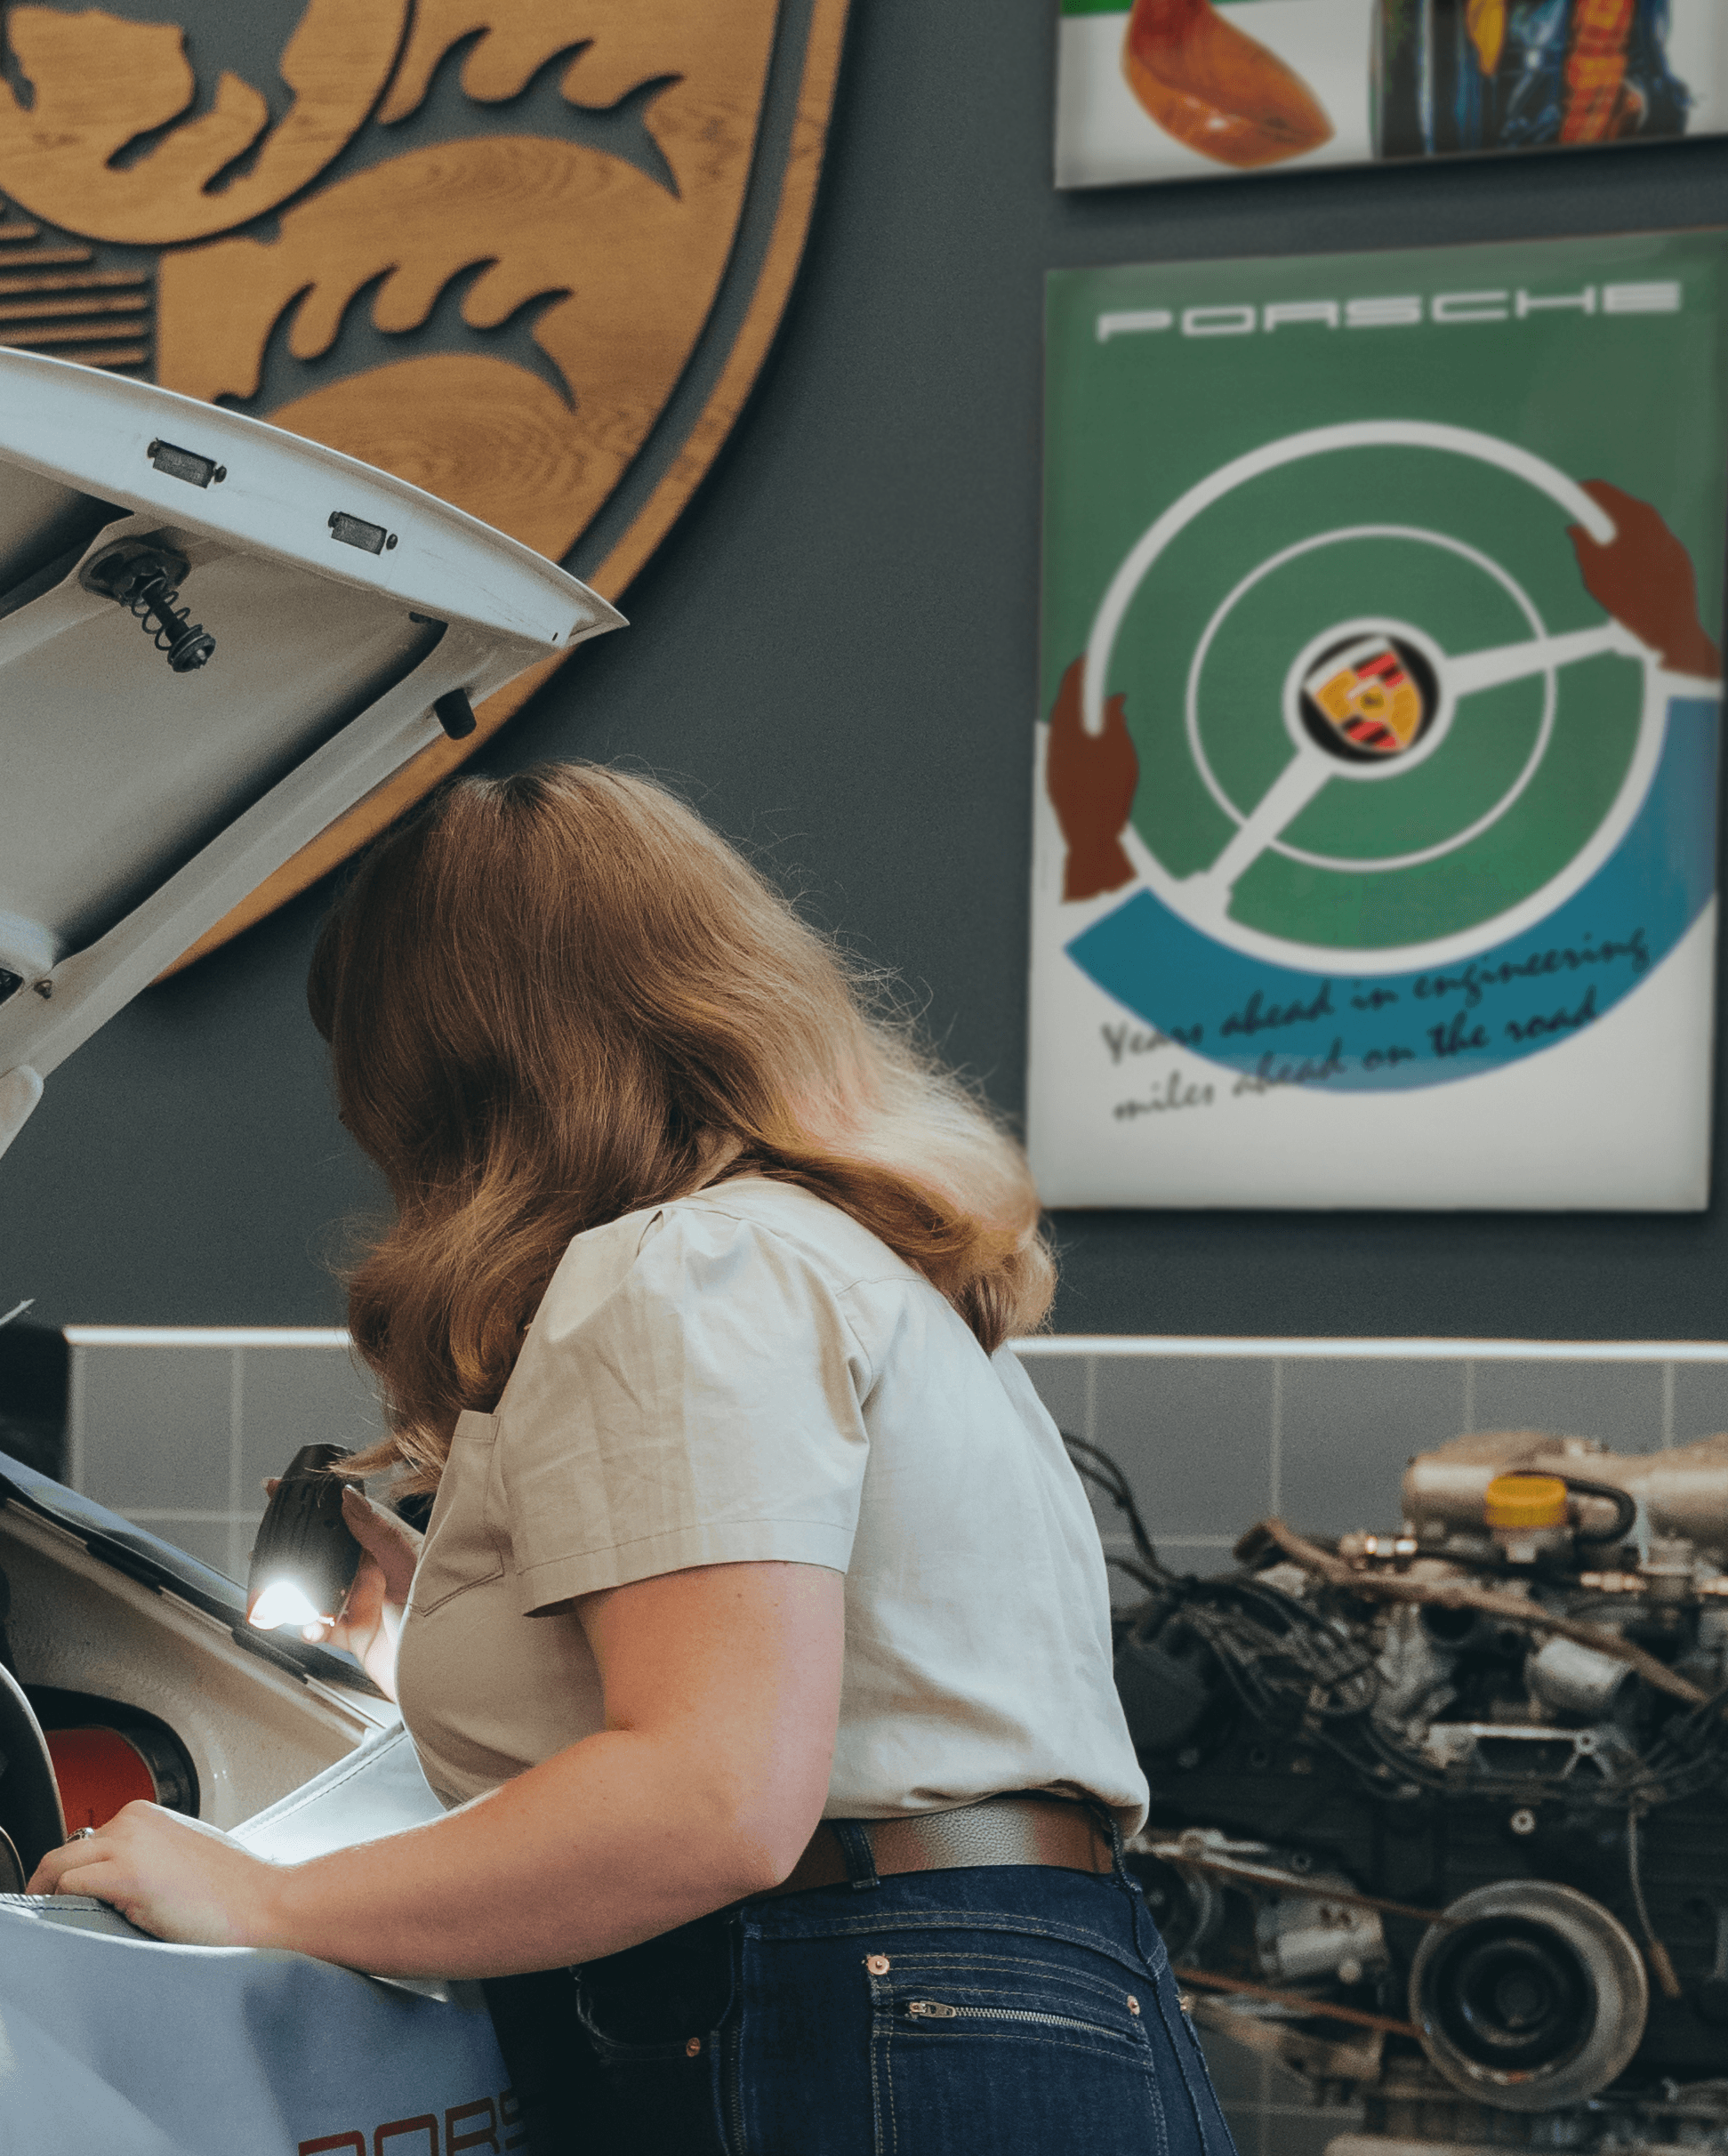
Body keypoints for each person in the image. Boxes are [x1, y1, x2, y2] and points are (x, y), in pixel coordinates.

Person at [28, 764, 1236, 2156]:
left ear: (451, 1074)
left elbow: (711, 1801)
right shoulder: (857, 1265)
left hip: (861, 2018)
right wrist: (459, 1628)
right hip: (1020, 1999)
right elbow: (833, 1698)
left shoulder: (678, 1269)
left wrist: (265, 1898)